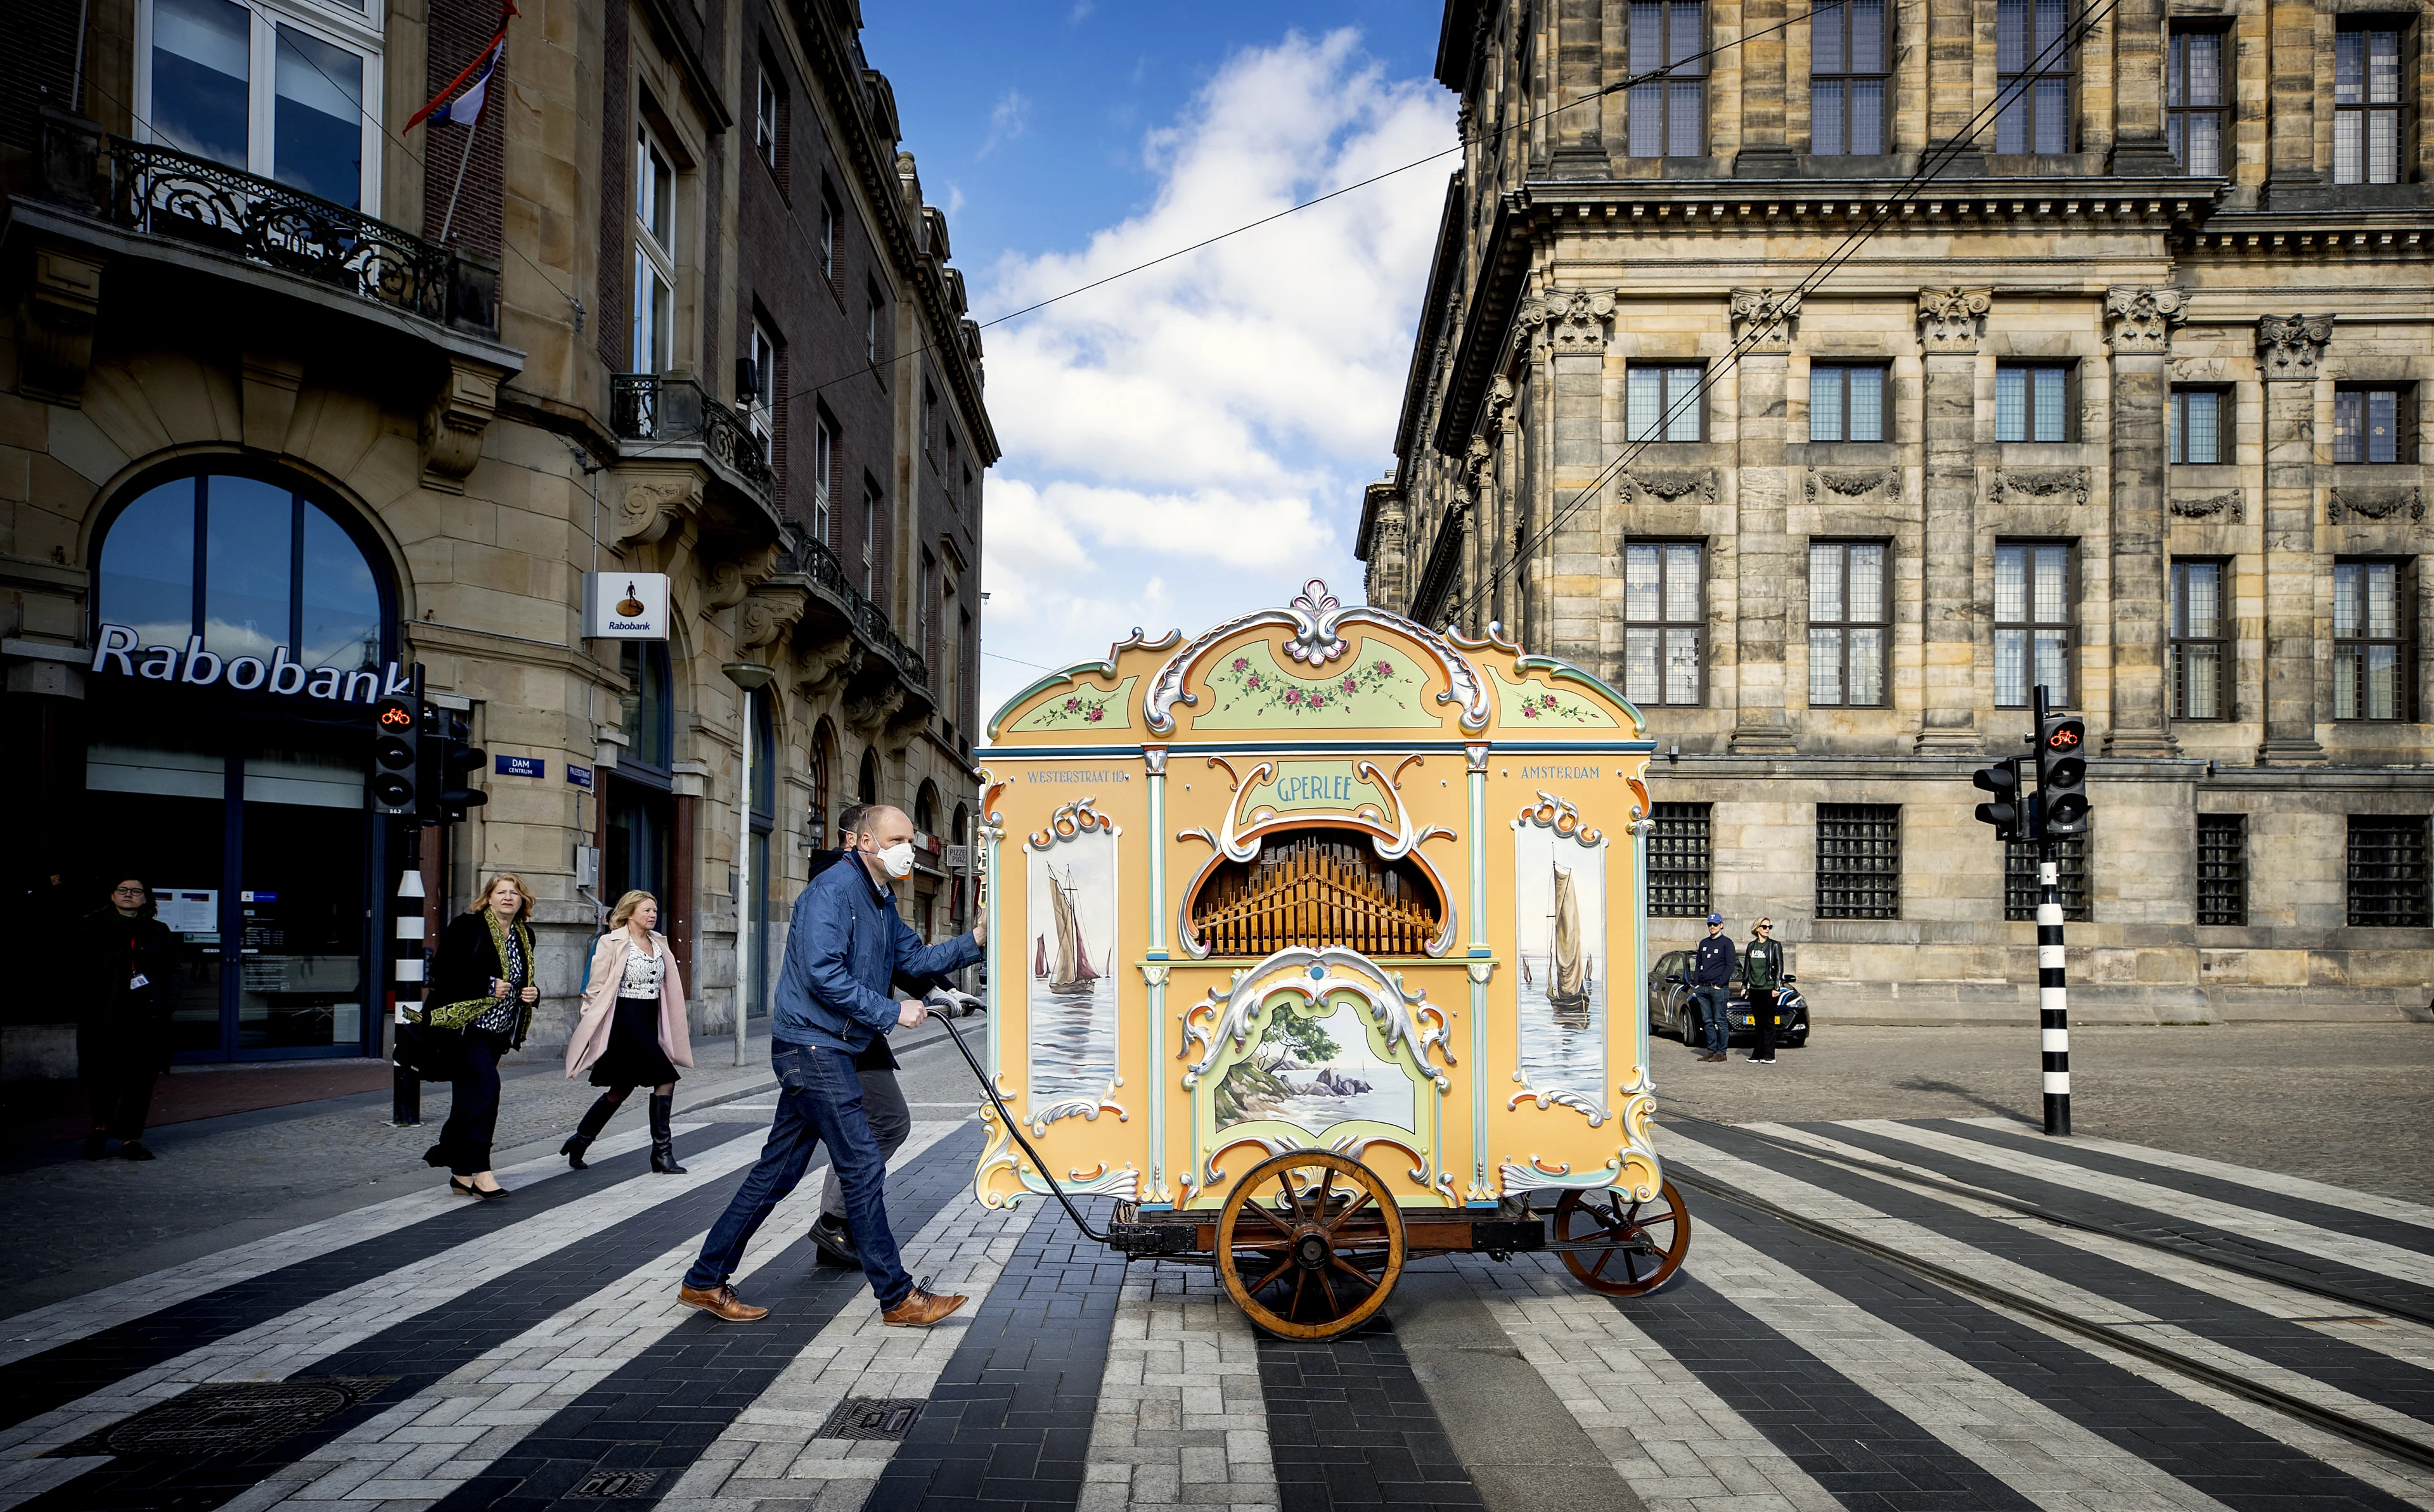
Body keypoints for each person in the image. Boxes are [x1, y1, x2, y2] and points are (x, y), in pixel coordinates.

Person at [678, 804, 983, 1326]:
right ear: (864, 842)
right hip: (813, 1047)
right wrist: (892, 1010)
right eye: (897, 838)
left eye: (910, 837)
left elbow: (916, 961)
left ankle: (704, 1280)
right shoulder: (832, 892)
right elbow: (824, 974)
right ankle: (898, 1298)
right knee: (861, 1165)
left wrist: (977, 939)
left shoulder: (881, 899)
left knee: (776, 1172)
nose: (908, 847)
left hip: (826, 1046)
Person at [422, 873, 541, 1198]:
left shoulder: (524, 935)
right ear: (488, 898)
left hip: (498, 1031)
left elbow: (522, 979)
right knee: (488, 1089)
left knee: (467, 1100)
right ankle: (482, 1170)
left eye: (514, 893)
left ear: (522, 901)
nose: (508, 897)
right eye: (501, 892)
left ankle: (460, 1172)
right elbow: (442, 973)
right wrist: (486, 986)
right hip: (465, 1029)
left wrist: (533, 993)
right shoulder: (467, 927)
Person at [562, 890, 695, 1173]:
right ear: (630, 912)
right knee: (666, 1078)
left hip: (649, 1019)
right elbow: (595, 987)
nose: (652, 914)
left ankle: (580, 1140)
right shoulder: (610, 943)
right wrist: (590, 1024)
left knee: (620, 1090)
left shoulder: (659, 943)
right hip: (623, 1020)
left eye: (655, 910)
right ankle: (662, 1154)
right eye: (646, 910)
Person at [77, 877, 177, 1160]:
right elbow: (75, 969)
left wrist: (168, 1003)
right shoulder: (91, 927)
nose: (129, 895)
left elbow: (173, 970)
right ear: (112, 895)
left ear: (146, 898)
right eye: (123, 890)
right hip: (104, 1016)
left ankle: (130, 1139)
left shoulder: (158, 931)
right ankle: (100, 1130)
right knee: (104, 1076)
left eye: (136, 891)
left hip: (146, 1017)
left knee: (141, 1080)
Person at [1689, 911, 1736, 1065]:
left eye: (1715, 924)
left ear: (1721, 925)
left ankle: (1721, 1052)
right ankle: (1711, 1050)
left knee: (1720, 1021)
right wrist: (1696, 983)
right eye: (1710, 924)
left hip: (1718, 989)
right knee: (1707, 1021)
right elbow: (1698, 964)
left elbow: (1730, 966)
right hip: (1702, 988)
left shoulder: (1727, 943)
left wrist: (1719, 985)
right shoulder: (1703, 943)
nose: (1712, 927)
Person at [1743, 917, 1786, 1065]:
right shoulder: (1751, 947)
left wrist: (1776, 987)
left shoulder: (1774, 946)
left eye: (1770, 927)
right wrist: (1744, 986)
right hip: (1755, 989)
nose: (1768, 929)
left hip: (1769, 989)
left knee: (1768, 1023)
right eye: (1765, 926)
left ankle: (1769, 1055)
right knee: (1759, 1023)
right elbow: (1747, 968)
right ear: (1757, 929)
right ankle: (1757, 1053)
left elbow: (1779, 967)